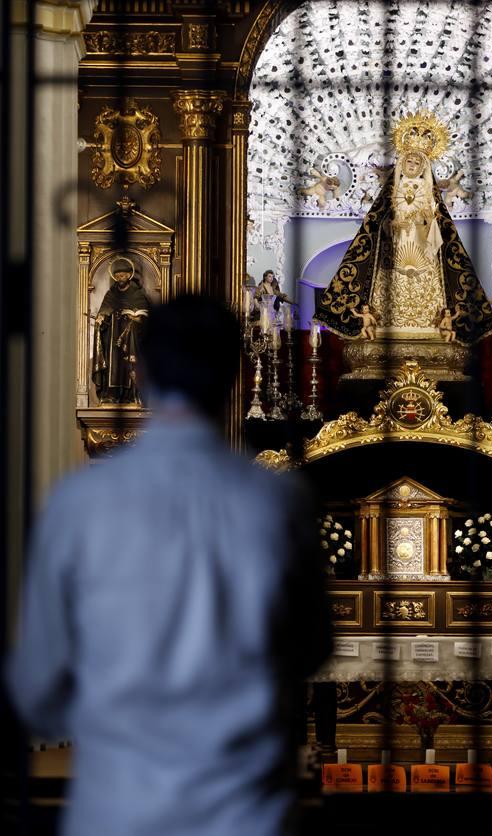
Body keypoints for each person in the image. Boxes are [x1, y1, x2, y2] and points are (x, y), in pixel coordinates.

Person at [7, 294, 332, 836]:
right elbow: (311, 648)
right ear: (237, 373)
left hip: (118, 808)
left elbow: (38, 685)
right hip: (245, 811)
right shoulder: (279, 502)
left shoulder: (81, 502)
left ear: (140, 369)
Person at [314, 110, 492, 344]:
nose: (412, 165)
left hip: (421, 245)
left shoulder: (428, 190)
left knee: (425, 278)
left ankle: (430, 325)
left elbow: (435, 221)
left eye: (417, 162)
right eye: (408, 161)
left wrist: (423, 219)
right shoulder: (392, 190)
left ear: (424, 167)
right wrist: (393, 223)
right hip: (396, 247)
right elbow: (379, 224)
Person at [92, 255, 150, 405]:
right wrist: (101, 319)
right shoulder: (111, 294)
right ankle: (111, 394)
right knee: (114, 367)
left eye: (122, 275)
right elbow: (104, 310)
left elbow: (145, 316)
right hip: (113, 337)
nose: (120, 278)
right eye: (117, 275)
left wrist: (137, 320)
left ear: (129, 275)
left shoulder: (137, 294)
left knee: (128, 365)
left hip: (131, 337)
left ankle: (130, 394)